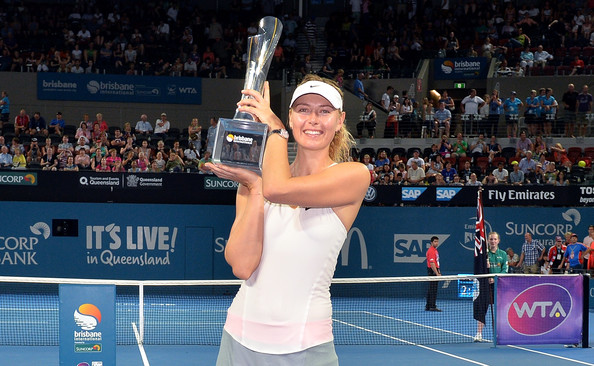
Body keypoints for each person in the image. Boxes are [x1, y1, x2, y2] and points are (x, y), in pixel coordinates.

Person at [207, 75, 369, 365]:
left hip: (307, 350)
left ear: (340, 119)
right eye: (303, 110)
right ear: (292, 117)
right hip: (238, 342)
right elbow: (242, 266)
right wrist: (254, 189)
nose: (313, 119)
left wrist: (276, 131)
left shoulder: (355, 175)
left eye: (324, 111)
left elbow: (278, 189)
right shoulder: (256, 182)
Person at [475, 232, 508, 342]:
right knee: (482, 309)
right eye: (491, 239)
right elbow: (479, 269)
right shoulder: (484, 254)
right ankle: (479, 333)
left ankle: (500, 333)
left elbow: (505, 270)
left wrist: (495, 278)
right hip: (485, 286)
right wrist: (486, 268)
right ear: (488, 241)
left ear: (498, 241)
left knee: (500, 310)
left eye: (495, 239)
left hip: (498, 285)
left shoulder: (503, 254)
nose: (493, 241)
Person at [425, 236, 442, 312]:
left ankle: (428, 305)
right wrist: (436, 273)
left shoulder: (435, 250)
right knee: (433, 289)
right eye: (435, 241)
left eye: (437, 241)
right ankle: (432, 306)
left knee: (432, 288)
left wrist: (438, 271)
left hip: (435, 270)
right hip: (432, 271)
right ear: (431, 243)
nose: (436, 243)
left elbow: (436, 262)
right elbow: (432, 263)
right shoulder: (431, 251)